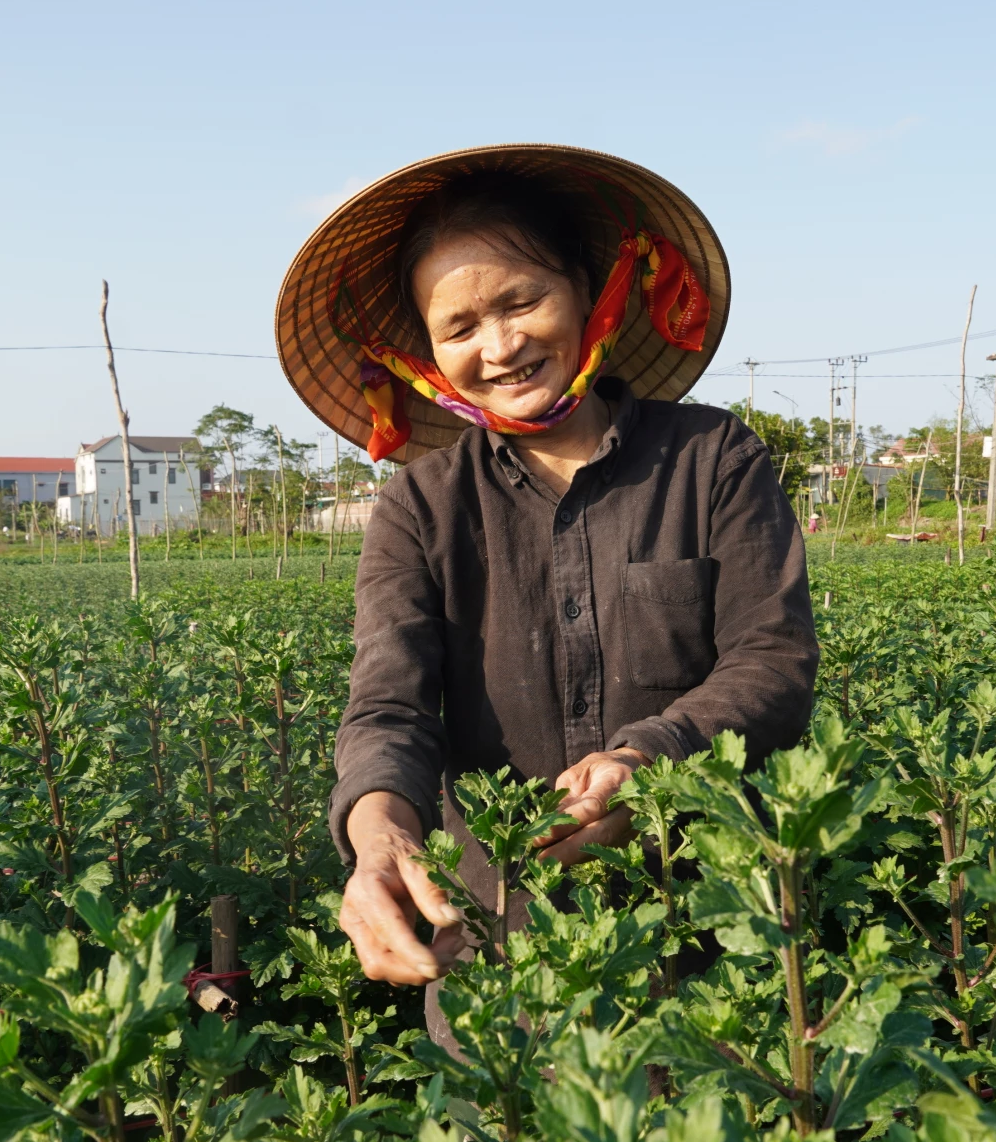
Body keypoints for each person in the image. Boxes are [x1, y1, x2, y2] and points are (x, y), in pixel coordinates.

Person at [274, 145, 818, 1018]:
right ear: (426, 353)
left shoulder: (713, 458)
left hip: (712, 941)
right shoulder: (419, 508)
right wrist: (379, 839)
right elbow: (390, 708)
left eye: (523, 301)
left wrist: (646, 760)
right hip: (495, 945)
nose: (501, 346)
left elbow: (772, 662)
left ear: (589, 288)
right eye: (459, 328)